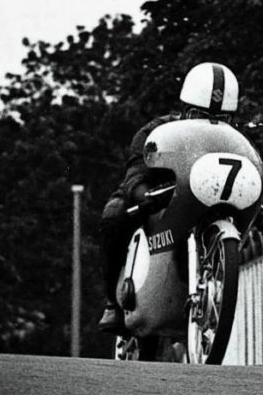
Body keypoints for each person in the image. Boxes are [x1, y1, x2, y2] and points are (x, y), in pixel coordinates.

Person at [95, 62, 242, 333]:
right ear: (185, 109)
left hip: (205, 203)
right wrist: (142, 193)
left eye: (222, 117)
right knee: (114, 214)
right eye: (200, 114)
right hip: (158, 198)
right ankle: (111, 305)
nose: (211, 123)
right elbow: (135, 173)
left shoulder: (233, 141)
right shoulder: (156, 132)